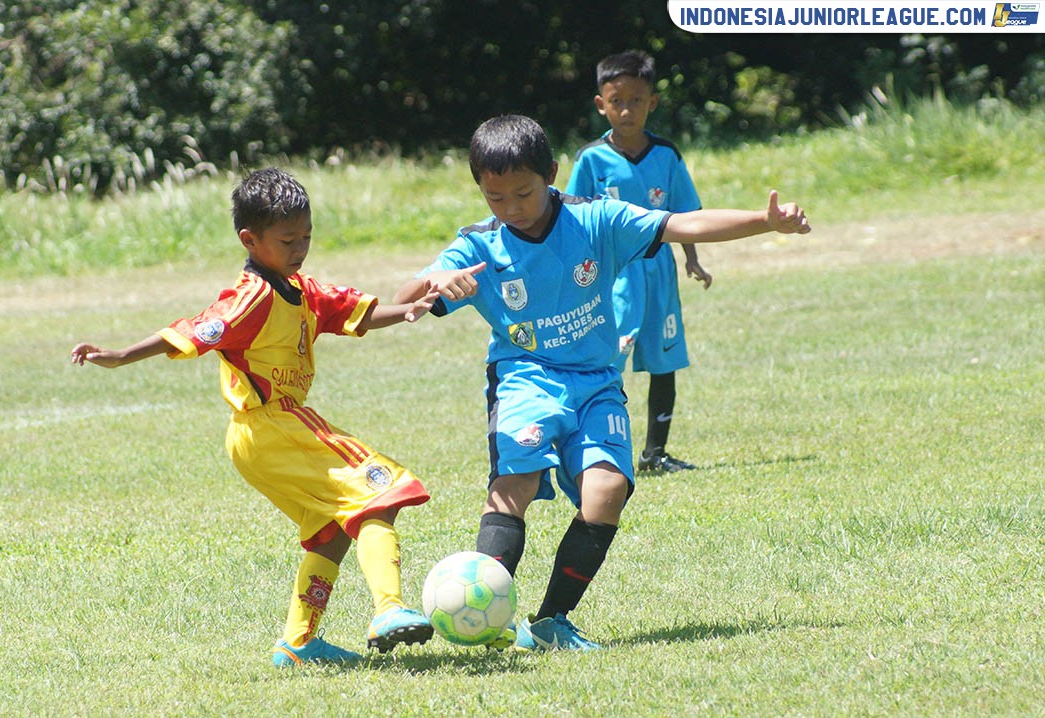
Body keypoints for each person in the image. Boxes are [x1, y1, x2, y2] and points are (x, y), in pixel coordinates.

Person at [392, 115, 809, 651]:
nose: (512, 208)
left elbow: (682, 224)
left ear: (552, 173)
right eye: (497, 198)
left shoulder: (596, 221)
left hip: (596, 381)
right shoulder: (479, 245)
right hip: (525, 379)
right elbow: (404, 302)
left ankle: (549, 622)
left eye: (524, 193)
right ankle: (487, 614)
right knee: (513, 488)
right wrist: (432, 281)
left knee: (607, 491)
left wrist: (764, 221)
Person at [71, 168, 443, 667]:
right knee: (382, 491)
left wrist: (410, 309)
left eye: (306, 236)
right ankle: (388, 609)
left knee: (331, 532)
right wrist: (119, 355)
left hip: (262, 437)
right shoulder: (252, 298)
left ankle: (299, 643)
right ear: (250, 239)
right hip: (271, 423)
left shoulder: (301, 289)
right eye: (287, 239)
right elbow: (192, 330)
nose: (300, 248)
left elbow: (351, 312)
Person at [566, 49, 710, 474]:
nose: (626, 110)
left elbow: (686, 215)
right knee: (608, 359)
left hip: (659, 272)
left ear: (653, 102)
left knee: (664, 359)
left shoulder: (666, 155)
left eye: (636, 100)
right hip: (613, 276)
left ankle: (655, 453)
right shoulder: (591, 159)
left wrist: (692, 259)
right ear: (601, 104)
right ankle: (591, 451)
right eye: (616, 101)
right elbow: (572, 216)